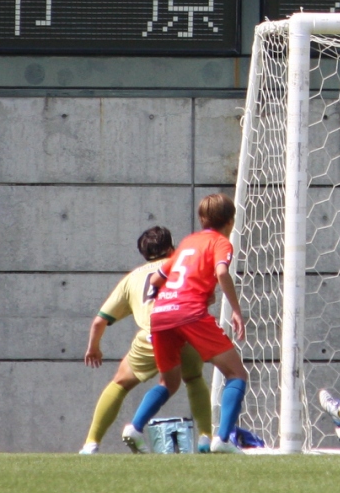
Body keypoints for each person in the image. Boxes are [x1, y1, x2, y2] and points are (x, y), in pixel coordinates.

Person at [122, 193, 253, 455]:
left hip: (161, 315)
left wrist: (169, 299)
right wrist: (236, 310)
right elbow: (222, 272)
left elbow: (156, 279)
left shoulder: (188, 242)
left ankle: (134, 428)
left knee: (169, 383)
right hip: (190, 313)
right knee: (236, 373)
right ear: (230, 221)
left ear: (202, 219)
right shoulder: (220, 242)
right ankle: (222, 439)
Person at [80, 225, 212, 453]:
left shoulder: (133, 278)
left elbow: (99, 321)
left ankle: (91, 443)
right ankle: (205, 437)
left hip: (153, 335)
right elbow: (207, 297)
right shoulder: (184, 266)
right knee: (193, 378)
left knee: (120, 383)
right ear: (171, 247)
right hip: (187, 330)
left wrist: (94, 348)